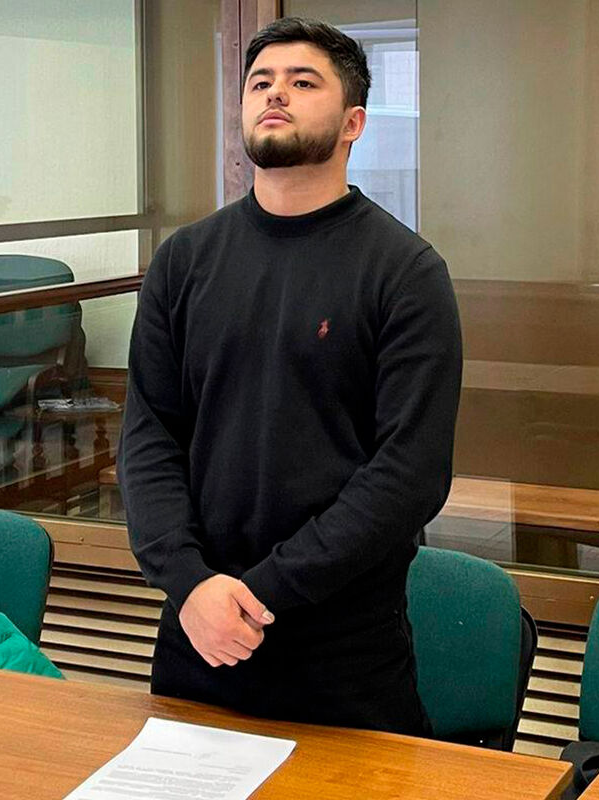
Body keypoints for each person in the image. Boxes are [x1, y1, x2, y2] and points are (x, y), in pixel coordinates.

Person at [118, 16, 462, 737]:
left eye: (303, 83)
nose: (274, 94)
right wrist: (189, 582)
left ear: (353, 123)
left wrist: (260, 593)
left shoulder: (404, 271)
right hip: (196, 630)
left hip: (341, 650)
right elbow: (149, 437)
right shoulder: (184, 261)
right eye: (260, 83)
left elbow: (409, 474)